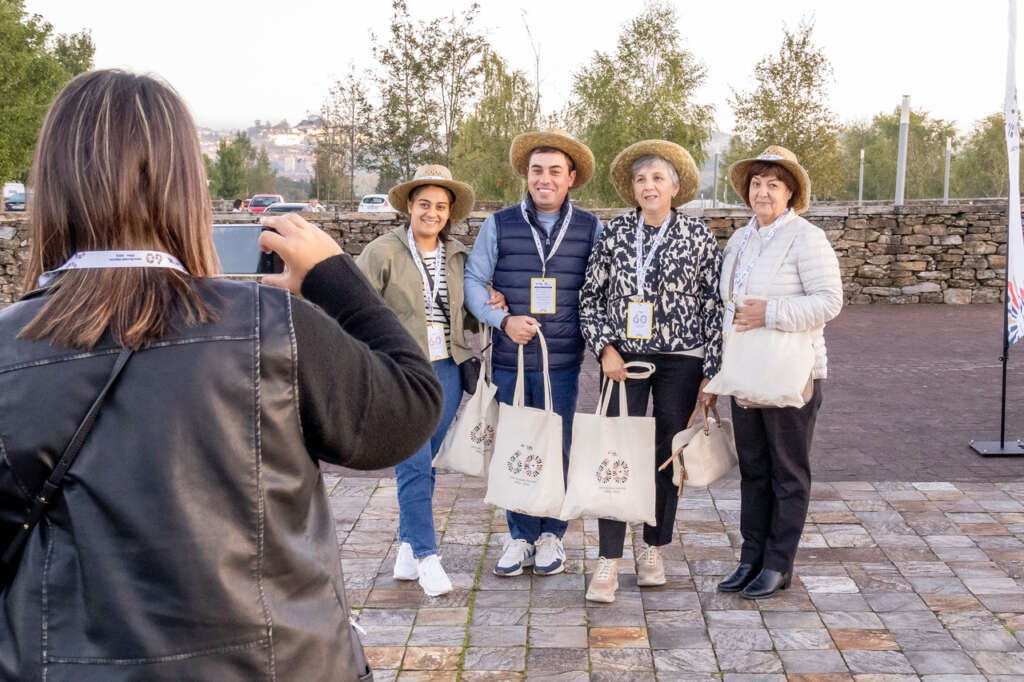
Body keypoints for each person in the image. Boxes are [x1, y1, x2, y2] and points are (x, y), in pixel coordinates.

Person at [0, 70, 442, 680]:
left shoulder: (9, 349)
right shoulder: (271, 326)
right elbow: (411, 408)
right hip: (277, 662)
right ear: (186, 183)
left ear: (52, 183)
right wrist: (335, 277)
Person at [579, 140, 723, 602]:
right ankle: (608, 559)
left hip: (682, 361)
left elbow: (715, 304)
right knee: (616, 454)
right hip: (625, 361)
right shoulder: (615, 233)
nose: (649, 186)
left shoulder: (698, 236)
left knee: (666, 454)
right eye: (642, 179)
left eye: (658, 178)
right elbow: (590, 298)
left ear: (675, 187)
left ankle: (653, 548)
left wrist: (711, 369)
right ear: (632, 189)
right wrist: (604, 348)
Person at [465, 129, 602, 577]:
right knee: (516, 444)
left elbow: (601, 289)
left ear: (571, 178)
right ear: (527, 175)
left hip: (563, 360)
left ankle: (551, 535)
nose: (544, 179)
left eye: (554, 172)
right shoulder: (499, 224)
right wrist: (502, 319)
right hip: (512, 357)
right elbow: (473, 280)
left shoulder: (589, 227)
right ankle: (520, 536)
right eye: (537, 171)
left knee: (558, 446)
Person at [715, 146, 842, 599]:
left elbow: (830, 301)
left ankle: (778, 562)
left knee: (787, 470)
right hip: (746, 372)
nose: (762, 191)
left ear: (791, 193)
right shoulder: (739, 240)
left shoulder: (806, 238)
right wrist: (715, 375)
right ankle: (750, 557)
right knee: (753, 468)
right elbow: (725, 311)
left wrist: (770, 313)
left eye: (773, 184)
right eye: (756, 183)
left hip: (793, 372)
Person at [356, 164, 477, 597]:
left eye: (441, 206)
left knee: (423, 464)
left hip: (448, 371)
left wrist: (493, 302)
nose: (432, 213)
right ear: (409, 205)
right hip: (401, 371)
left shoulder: (459, 254)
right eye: (424, 204)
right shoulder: (381, 252)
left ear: (450, 213)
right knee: (411, 460)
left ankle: (407, 549)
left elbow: (470, 309)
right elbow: (355, 307)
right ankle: (428, 557)